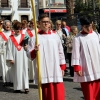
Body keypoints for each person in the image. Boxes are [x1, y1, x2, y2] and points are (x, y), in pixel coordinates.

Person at [26, 13, 66, 100]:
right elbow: (29, 54)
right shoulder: (34, 38)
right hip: (44, 70)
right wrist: (34, 51)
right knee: (47, 95)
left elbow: (61, 52)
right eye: (43, 22)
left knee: (59, 94)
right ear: (39, 24)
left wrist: (62, 66)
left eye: (47, 22)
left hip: (55, 69)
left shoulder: (55, 36)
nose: (46, 24)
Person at [71, 16, 100, 100]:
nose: (89, 28)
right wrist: (77, 67)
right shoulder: (78, 38)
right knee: (89, 92)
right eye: (86, 27)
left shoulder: (97, 35)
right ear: (82, 26)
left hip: (98, 66)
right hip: (86, 68)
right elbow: (75, 53)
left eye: (90, 26)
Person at [6, 22, 29, 93]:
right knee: (16, 71)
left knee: (24, 70)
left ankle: (26, 87)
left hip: (23, 56)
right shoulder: (11, 38)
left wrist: (27, 46)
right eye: (16, 29)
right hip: (15, 57)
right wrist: (11, 58)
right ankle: (17, 87)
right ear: (14, 29)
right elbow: (9, 49)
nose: (18, 30)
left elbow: (27, 45)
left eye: (19, 29)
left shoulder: (24, 36)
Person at [0, 20, 14, 86]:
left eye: (9, 25)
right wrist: (4, 43)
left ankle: (12, 80)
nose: (8, 26)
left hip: (11, 51)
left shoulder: (13, 33)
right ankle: (6, 80)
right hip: (4, 51)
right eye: (6, 25)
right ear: (4, 26)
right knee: (4, 66)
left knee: (11, 66)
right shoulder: (1, 34)